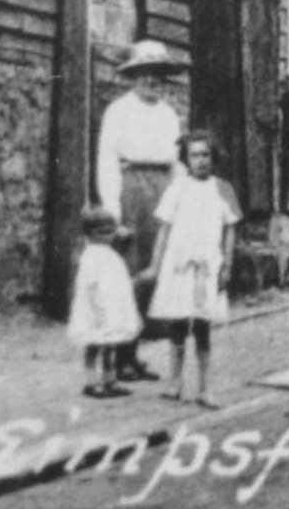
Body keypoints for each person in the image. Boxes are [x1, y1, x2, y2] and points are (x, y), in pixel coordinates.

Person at [96, 40, 187, 379]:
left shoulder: (168, 115)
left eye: (157, 75)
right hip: (131, 193)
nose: (151, 82)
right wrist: (112, 213)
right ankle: (118, 357)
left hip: (161, 193)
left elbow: (177, 163)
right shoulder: (118, 111)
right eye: (144, 75)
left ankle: (134, 355)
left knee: (155, 274)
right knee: (128, 276)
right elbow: (107, 162)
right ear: (133, 77)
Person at [148, 131, 240, 407]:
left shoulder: (223, 189)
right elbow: (164, 230)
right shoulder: (177, 187)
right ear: (186, 159)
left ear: (213, 157)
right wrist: (155, 264)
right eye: (195, 155)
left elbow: (230, 230)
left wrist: (227, 265)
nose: (201, 161)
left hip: (207, 268)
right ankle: (175, 383)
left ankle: (205, 388)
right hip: (179, 266)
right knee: (177, 323)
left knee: (202, 327)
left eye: (205, 155)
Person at [66, 206, 142, 398]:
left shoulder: (110, 254)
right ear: (90, 234)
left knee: (110, 345)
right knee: (94, 345)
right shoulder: (91, 255)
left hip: (110, 309)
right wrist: (97, 309)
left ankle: (110, 380)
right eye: (101, 233)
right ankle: (91, 382)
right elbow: (91, 285)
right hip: (96, 309)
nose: (107, 237)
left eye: (110, 232)